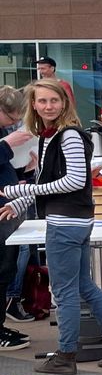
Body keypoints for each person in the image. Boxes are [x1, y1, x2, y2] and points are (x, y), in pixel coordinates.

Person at [0, 80, 102, 373]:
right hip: (74, 221)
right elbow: (45, 182)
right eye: (42, 101)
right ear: (33, 105)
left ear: (64, 103)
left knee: (65, 292)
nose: (48, 106)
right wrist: (19, 203)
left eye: (54, 101)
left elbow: (73, 181)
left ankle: (66, 355)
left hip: (66, 224)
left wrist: (17, 193)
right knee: (83, 285)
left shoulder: (68, 135)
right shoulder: (51, 136)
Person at [0, 85, 32, 349]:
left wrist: (24, 169)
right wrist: (7, 146)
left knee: (6, 267)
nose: (13, 125)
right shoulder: (4, 138)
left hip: (7, 207)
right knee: (2, 268)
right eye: (11, 119)